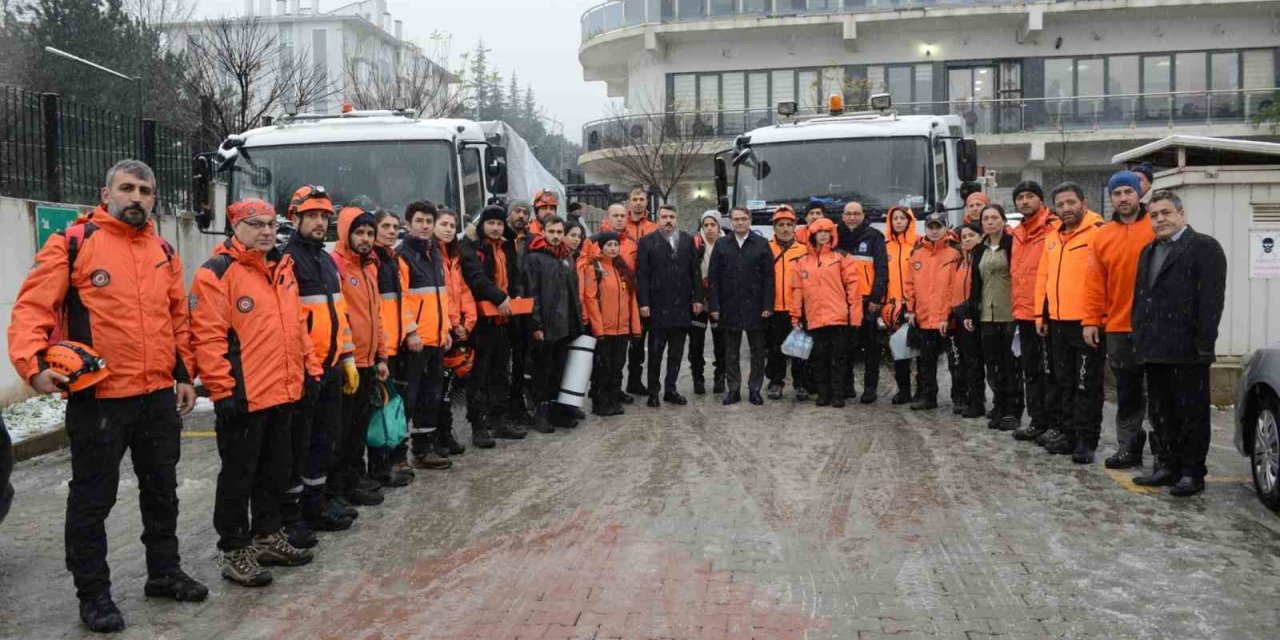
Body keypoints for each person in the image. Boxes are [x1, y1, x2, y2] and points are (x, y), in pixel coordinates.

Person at [8, 159, 207, 632]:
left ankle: (163, 572)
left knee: (162, 492)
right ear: (106, 194)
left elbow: (176, 318)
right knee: (92, 500)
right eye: (127, 188)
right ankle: (93, 595)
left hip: (157, 395)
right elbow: (32, 307)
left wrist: (184, 374)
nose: (136, 198)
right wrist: (33, 367)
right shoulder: (73, 244)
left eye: (145, 190)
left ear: (154, 198)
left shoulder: (162, 249)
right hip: (100, 398)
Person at [190, 198, 318, 588]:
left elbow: (296, 326)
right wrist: (222, 391)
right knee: (238, 477)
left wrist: (309, 369)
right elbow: (207, 337)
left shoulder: (282, 268)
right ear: (235, 228)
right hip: (244, 396)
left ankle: (267, 536)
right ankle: (234, 549)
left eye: (270, 224)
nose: (265, 231)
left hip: (283, 390)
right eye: (255, 224)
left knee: (275, 471)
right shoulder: (217, 273)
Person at [1131, 190, 1226, 496]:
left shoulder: (1204, 247)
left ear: (1181, 214)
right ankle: (1168, 466)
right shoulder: (1148, 251)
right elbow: (1141, 298)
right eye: (1154, 215)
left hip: (1188, 351)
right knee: (1162, 413)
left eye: (1166, 213)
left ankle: (1192, 472)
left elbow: (1211, 301)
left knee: (1191, 414)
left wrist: (1203, 346)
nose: (1160, 220)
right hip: (1154, 348)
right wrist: (1139, 336)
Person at [280, 185, 361, 536]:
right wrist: (308, 365)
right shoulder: (287, 260)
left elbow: (339, 316)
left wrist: (347, 357)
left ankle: (316, 505)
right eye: (311, 215)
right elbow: (289, 323)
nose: (318, 222)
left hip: (329, 367)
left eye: (324, 217)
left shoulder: (326, 261)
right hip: (303, 371)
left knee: (323, 441)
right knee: (297, 446)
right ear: (294, 217)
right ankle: (291, 516)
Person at [1082, 171, 1157, 470]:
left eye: (1128, 191)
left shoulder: (1156, 226)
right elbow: (1095, 283)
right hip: (1118, 326)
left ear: (1139, 193)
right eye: (1117, 193)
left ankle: (1165, 452)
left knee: (1161, 393)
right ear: (1110, 198)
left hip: (1156, 327)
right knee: (1127, 392)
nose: (1123, 198)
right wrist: (1090, 320)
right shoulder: (1103, 235)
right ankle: (1129, 446)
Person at [1034, 182, 1105, 463]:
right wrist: (1042, 315)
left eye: (1070, 202)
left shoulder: (1098, 233)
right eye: (1060, 204)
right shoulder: (1052, 238)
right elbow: (1044, 279)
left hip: (1087, 324)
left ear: (1083, 202)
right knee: (1064, 381)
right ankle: (1068, 433)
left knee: (1087, 383)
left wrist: (1095, 319)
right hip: (1058, 323)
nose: (1066, 209)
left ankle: (1086, 439)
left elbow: (1102, 280)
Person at [332, 207, 393, 499]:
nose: (366, 238)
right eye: (359, 232)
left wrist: (382, 356)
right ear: (346, 233)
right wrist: (346, 359)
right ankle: (342, 484)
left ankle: (355, 477)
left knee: (358, 428)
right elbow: (340, 317)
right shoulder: (337, 267)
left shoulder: (370, 267)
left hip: (368, 361)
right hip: (348, 363)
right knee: (342, 431)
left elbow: (376, 315)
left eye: (370, 233)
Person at [398, 202, 461, 468]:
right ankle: (397, 457)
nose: (424, 225)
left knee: (431, 397)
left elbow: (441, 296)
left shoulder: (434, 253)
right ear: (409, 224)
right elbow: (401, 300)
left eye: (428, 221)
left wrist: (446, 328)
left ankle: (423, 450)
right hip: (416, 342)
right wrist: (411, 331)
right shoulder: (402, 256)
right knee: (408, 400)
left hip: (436, 338)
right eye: (419, 221)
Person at [461, 205, 528, 443]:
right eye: (491, 223)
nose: (496, 228)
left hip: (504, 320)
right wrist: (499, 297)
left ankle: (499, 421)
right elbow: (475, 278)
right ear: (482, 225)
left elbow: (516, 276)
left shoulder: (507, 246)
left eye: (499, 224)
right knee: (479, 375)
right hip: (482, 321)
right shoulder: (471, 248)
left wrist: (517, 294)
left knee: (501, 373)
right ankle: (478, 425)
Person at [368, 210, 418, 488]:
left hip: (397, 345)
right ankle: (379, 465)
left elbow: (402, 302)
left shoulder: (392, 259)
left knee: (396, 407)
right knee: (381, 408)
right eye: (384, 226)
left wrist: (409, 331)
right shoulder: (373, 261)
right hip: (382, 349)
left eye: (394, 227)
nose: (390, 231)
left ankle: (395, 459)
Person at [790, 218, 861, 407]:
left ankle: (838, 394)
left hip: (838, 317)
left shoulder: (841, 257)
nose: (822, 235)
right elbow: (797, 290)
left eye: (826, 231)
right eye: (818, 232)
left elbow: (853, 288)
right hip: (814, 318)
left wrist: (855, 317)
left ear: (832, 234)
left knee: (838, 358)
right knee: (819, 358)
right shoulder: (803, 262)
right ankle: (823, 393)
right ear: (812, 235)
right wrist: (795, 316)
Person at [636, 204, 702, 407]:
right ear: (658, 219)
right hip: (657, 308)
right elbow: (642, 275)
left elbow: (695, 273)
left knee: (676, 353)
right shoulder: (647, 242)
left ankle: (670, 389)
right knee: (655, 353)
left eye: (672, 216)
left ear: (677, 218)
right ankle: (654, 392)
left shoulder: (687, 240)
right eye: (664, 216)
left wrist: (697, 298)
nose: (668, 220)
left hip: (681, 308)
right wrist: (644, 302)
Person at [523, 215, 585, 431]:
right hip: (546, 326)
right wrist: (536, 324)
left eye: (559, 232)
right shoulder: (534, 259)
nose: (556, 236)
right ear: (544, 232)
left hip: (565, 324)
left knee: (560, 370)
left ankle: (558, 413)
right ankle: (541, 414)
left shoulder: (566, 257)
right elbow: (532, 293)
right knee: (543, 372)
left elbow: (573, 291)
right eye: (552, 232)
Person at [708, 206, 775, 406]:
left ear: (750, 220)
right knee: (731, 353)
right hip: (729, 306)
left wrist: (767, 304)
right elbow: (714, 279)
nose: (739, 222)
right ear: (731, 221)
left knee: (757, 352)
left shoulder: (762, 244)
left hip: (756, 307)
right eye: (736, 219)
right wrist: (714, 306)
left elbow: (769, 278)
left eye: (743, 219)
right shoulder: (721, 245)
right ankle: (733, 390)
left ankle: (755, 389)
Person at [1008, 180, 1057, 441]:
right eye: (1020, 197)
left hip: (1046, 313)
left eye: (1030, 196)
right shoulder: (1018, 233)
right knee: (1032, 370)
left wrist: (1045, 311)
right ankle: (1037, 420)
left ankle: (1054, 423)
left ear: (1040, 199)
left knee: (1051, 372)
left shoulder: (1053, 227)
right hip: (1024, 313)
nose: (1025, 201)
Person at [966, 204, 1019, 431]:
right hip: (987, 313)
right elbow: (975, 283)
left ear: (1003, 221)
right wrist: (971, 310)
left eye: (994, 217)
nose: (989, 222)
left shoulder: (1013, 244)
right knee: (993, 363)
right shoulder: (980, 249)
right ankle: (998, 405)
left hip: (1010, 312)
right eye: (985, 218)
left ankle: (1013, 410)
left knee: (1011, 364)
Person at [903, 213, 961, 411]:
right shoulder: (917, 253)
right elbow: (909, 284)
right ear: (926, 229)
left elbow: (956, 286)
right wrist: (910, 310)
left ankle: (959, 399)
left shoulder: (955, 252)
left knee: (956, 362)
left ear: (945, 227)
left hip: (949, 319)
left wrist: (949, 313)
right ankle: (928, 397)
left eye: (938, 226)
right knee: (926, 362)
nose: (934, 231)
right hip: (924, 317)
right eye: (931, 227)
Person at [581, 231, 642, 416]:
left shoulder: (622, 269)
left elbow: (631, 300)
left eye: (616, 245)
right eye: (609, 245)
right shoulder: (595, 269)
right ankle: (600, 403)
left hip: (621, 329)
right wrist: (598, 329)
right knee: (603, 369)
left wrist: (635, 327)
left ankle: (613, 401)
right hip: (604, 330)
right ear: (601, 247)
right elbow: (590, 299)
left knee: (617, 368)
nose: (613, 248)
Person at [434, 207, 477, 457]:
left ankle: (446, 433)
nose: (449, 229)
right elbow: (439, 297)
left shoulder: (454, 257)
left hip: (455, 329)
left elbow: (462, 292)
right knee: (437, 390)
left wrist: (468, 322)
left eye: (452, 225)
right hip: (441, 329)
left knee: (447, 389)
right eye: (445, 224)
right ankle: (435, 437)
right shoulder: (431, 256)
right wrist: (454, 323)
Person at [836, 201, 888, 403]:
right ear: (842, 216)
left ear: (862, 215)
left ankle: (870, 389)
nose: (851, 218)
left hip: (867, 300)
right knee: (844, 346)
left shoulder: (874, 236)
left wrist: (876, 297)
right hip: (842, 299)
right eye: (848, 214)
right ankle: (847, 386)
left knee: (871, 347)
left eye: (856, 214)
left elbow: (882, 268)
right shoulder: (835, 236)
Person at [765, 205, 809, 400]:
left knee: (799, 349)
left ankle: (801, 384)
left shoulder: (804, 250)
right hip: (774, 308)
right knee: (775, 349)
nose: (785, 229)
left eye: (788, 225)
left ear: (794, 227)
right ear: (774, 227)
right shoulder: (766, 249)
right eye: (781, 225)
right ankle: (776, 381)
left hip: (796, 309)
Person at [624, 187, 659, 396]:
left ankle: (635, 381)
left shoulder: (653, 228)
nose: (638, 203)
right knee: (623, 341)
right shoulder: (618, 224)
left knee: (643, 339)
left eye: (641, 199)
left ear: (646, 202)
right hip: (625, 291)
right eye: (634, 199)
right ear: (629, 202)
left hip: (648, 291)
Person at [884, 206, 919, 405]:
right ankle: (903, 390)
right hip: (893, 307)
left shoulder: (918, 244)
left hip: (916, 306)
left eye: (902, 218)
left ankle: (923, 389)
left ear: (909, 221)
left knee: (920, 351)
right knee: (898, 351)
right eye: (895, 218)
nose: (898, 221)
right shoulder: (885, 246)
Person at [689, 210, 726, 395]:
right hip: (699, 301)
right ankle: (698, 377)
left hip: (720, 301)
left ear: (719, 226)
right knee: (696, 341)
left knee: (721, 342)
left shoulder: (727, 243)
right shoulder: (695, 244)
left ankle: (721, 375)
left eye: (713, 225)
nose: (710, 228)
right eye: (706, 225)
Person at [951, 223, 986, 418]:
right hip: (961, 317)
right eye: (963, 237)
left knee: (976, 362)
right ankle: (970, 399)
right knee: (965, 362)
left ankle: (978, 402)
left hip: (977, 316)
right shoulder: (960, 261)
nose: (967, 239)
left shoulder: (982, 258)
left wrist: (969, 310)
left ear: (980, 237)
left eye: (971, 235)